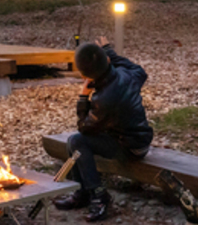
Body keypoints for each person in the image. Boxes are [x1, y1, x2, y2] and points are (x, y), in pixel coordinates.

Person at [53, 36, 153, 222]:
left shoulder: (103, 100)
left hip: (130, 147)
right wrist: (108, 50)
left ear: (84, 76)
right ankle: (81, 193)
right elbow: (140, 71)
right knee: (73, 142)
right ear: (107, 60)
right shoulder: (127, 75)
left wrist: (83, 98)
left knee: (76, 141)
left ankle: (99, 197)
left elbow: (84, 128)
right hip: (140, 139)